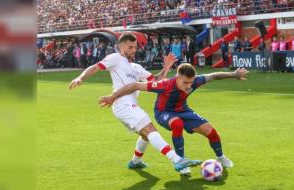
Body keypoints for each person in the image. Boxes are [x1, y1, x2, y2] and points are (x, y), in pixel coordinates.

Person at [69, 33, 201, 172]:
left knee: (145, 134)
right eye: (130, 47)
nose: (133, 50)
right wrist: (81, 78)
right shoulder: (115, 58)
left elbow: (155, 81)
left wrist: (166, 68)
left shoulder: (137, 67)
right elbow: (94, 67)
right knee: (150, 129)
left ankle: (135, 162)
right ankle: (177, 160)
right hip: (122, 103)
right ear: (121, 46)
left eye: (135, 47)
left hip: (127, 106)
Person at [99, 63, 249, 175]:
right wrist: (113, 97)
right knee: (177, 124)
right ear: (177, 77)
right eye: (185, 82)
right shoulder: (164, 85)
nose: (189, 86)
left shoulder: (195, 81)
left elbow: (213, 76)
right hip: (163, 113)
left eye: (191, 82)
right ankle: (182, 162)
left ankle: (221, 157)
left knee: (211, 132)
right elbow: (134, 85)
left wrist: (234, 74)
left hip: (184, 110)